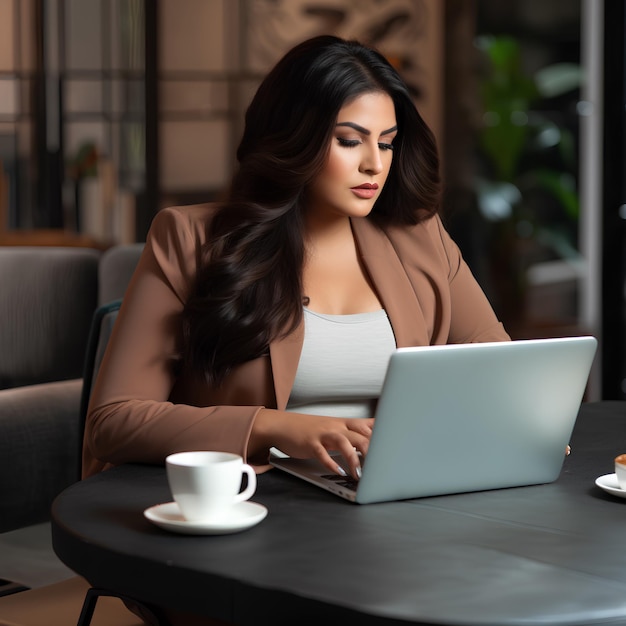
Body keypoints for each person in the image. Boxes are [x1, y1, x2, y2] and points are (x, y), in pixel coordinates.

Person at [82, 33, 510, 626]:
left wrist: (516, 424)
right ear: (296, 139)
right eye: (348, 141)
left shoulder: (421, 238)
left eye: (387, 143)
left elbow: (497, 365)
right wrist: (280, 429)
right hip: (249, 522)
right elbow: (114, 420)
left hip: (391, 516)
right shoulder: (190, 239)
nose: (374, 165)